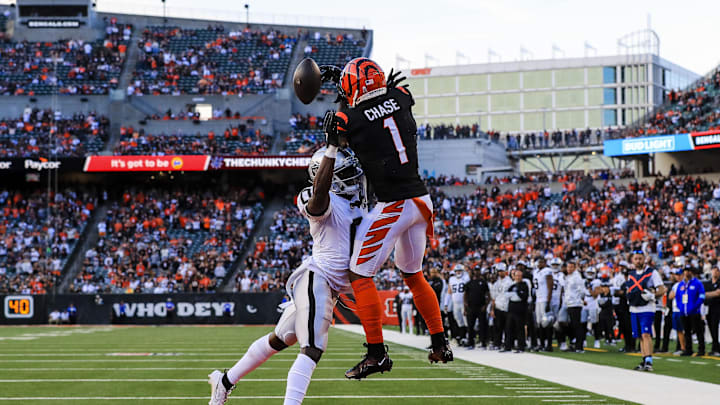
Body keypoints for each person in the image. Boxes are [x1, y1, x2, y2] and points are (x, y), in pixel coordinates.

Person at [320, 59, 452, 380]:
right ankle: (439, 343)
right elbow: (389, 100)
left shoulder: (347, 117)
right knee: (413, 274)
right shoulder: (402, 96)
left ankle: (377, 353)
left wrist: (343, 93)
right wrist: (370, 88)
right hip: (421, 199)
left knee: (359, 274)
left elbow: (343, 125)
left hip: (394, 203)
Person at [207, 146, 367, 405]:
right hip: (318, 278)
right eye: (346, 173)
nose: (353, 178)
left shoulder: (359, 201)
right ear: (326, 175)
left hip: (331, 286)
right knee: (312, 348)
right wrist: (331, 151)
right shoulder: (314, 196)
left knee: (281, 339)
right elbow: (318, 202)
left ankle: (223, 382)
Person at [624, 251, 666, 371]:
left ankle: (649, 361)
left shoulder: (652, 272)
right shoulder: (631, 274)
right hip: (634, 308)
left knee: (646, 334)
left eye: (640, 259)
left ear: (644, 259)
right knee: (639, 336)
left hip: (647, 308)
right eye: (636, 259)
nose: (638, 261)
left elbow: (662, 289)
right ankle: (644, 359)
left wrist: (652, 295)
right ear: (632, 260)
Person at [676, 266, 706, 357]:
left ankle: (701, 349)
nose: (686, 273)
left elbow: (702, 296)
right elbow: (677, 297)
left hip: (694, 312)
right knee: (687, 331)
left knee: (698, 331)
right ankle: (688, 349)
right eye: (685, 271)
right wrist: (680, 307)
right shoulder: (681, 284)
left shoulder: (697, 283)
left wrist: (695, 307)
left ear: (691, 272)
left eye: (688, 271)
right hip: (683, 312)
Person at [464, 266, 490, 349]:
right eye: (475, 270)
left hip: (481, 307)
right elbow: (465, 294)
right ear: (473, 271)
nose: (476, 272)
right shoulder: (469, 282)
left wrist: (485, 306)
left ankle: (483, 343)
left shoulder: (483, 282)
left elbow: (488, 295)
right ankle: (471, 343)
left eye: (478, 270)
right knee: (470, 326)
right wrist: (465, 305)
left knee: (482, 326)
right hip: (471, 307)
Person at [533, 257, 556, 352]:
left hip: (544, 299)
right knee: (539, 323)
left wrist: (548, 301)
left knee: (547, 322)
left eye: (540, 262)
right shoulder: (536, 272)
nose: (539, 264)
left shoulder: (547, 271)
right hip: (538, 299)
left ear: (544, 263)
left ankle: (549, 345)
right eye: (538, 262)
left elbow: (550, 287)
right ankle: (541, 344)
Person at [505, 268, 529, 352]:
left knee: (520, 329)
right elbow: (507, 295)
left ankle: (521, 347)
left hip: (520, 309)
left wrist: (514, 295)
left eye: (519, 276)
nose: (518, 277)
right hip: (511, 309)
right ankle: (508, 346)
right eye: (516, 276)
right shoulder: (512, 286)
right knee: (509, 328)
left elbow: (523, 297)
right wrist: (514, 295)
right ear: (514, 277)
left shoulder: (524, 285)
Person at [564, 260, 586, 352]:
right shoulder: (569, 276)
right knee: (572, 325)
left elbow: (582, 291)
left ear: (574, 267)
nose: (569, 269)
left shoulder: (577, 277)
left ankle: (579, 346)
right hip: (569, 303)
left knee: (577, 325)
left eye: (571, 267)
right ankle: (573, 344)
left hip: (575, 304)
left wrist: (578, 299)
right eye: (568, 267)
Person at [446, 264, 470, 343]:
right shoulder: (452, 279)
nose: (458, 272)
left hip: (464, 303)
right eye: (457, 271)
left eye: (460, 271)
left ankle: (468, 337)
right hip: (455, 303)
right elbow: (449, 292)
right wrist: (446, 303)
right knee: (458, 320)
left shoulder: (466, 278)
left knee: (466, 320)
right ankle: (462, 336)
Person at [491, 263, 512, 351]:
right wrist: (492, 309)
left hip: (507, 307)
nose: (500, 273)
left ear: (505, 271)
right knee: (498, 327)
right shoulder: (496, 283)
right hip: (498, 307)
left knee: (507, 328)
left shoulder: (510, 281)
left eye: (501, 271)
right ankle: (497, 344)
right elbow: (494, 297)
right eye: (499, 271)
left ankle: (507, 344)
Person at [706, 264, 720, 356]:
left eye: (716, 270)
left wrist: (705, 294)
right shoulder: (708, 283)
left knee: (715, 327)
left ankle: (716, 348)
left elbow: (718, 293)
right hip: (709, 308)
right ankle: (715, 346)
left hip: (718, 308)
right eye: (713, 270)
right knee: (711, 327)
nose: (714, 272)